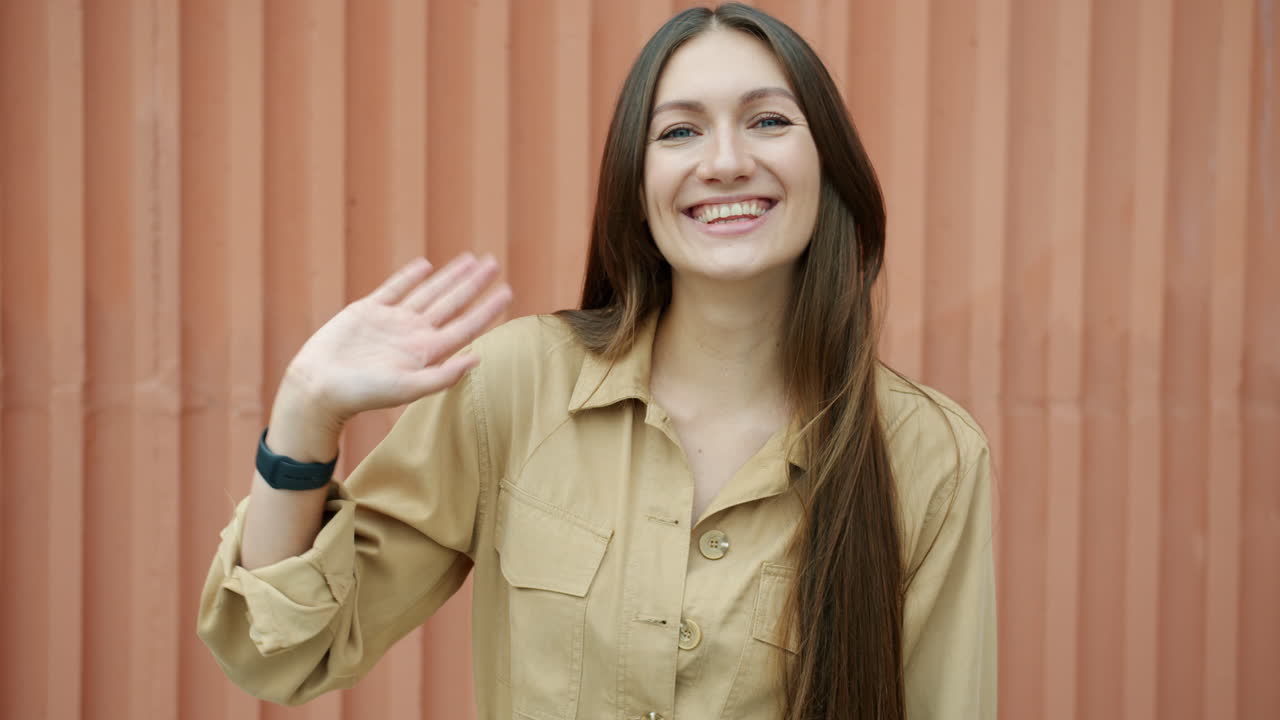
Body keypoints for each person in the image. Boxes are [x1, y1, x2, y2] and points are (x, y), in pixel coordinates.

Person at [197, 4, 995, 719]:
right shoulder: (515, 388)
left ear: (830, 166)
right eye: (679, 131)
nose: (723, 162)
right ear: (635, 183)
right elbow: (279, 652)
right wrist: (305, 412)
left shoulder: (930, 455)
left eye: (768, 122)